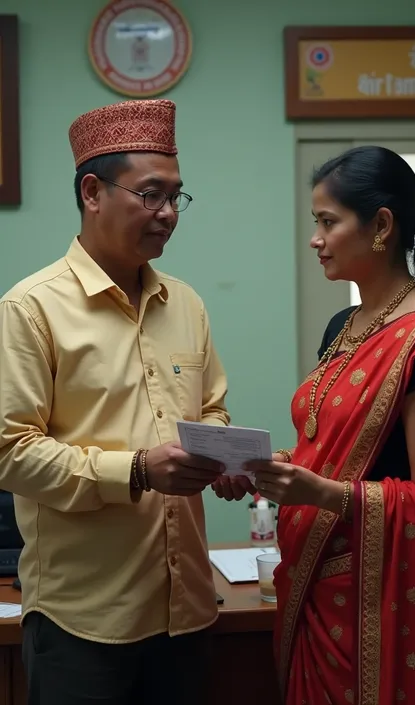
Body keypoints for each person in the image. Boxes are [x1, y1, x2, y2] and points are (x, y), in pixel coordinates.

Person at [0, 99, 236, 705]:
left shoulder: (185, 303)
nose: (167, 214)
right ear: (92, 192)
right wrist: (134, 469)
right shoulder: (30, 309)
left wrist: (224, 457)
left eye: (175, 197)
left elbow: (211, 411)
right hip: (84, 623)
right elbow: (10, 452)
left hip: (185, 613)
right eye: (150, 194)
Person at [245, 145, 415, 705]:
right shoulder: (342, 325)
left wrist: (316, 490)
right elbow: (330, 447)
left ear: (381, 226)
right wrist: (284, 470)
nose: (315, 238)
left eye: (328, 222)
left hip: (383, 598)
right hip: (318, 587)